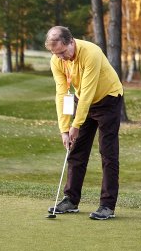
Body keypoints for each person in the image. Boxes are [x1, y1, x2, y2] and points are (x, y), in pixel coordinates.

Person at [46, 26, 123, 220]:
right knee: (77, 150)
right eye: (56, 54)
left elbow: (88, 92)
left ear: (71, 41)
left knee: (108, 152)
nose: (61, 57)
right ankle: (71, 200)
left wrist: (76, 125)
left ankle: (107, 205)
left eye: (63, 52)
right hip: (83, 101)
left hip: (108, 99)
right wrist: (65, 129)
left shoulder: (91, 53)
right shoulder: (57, 60)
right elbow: (62, 94)